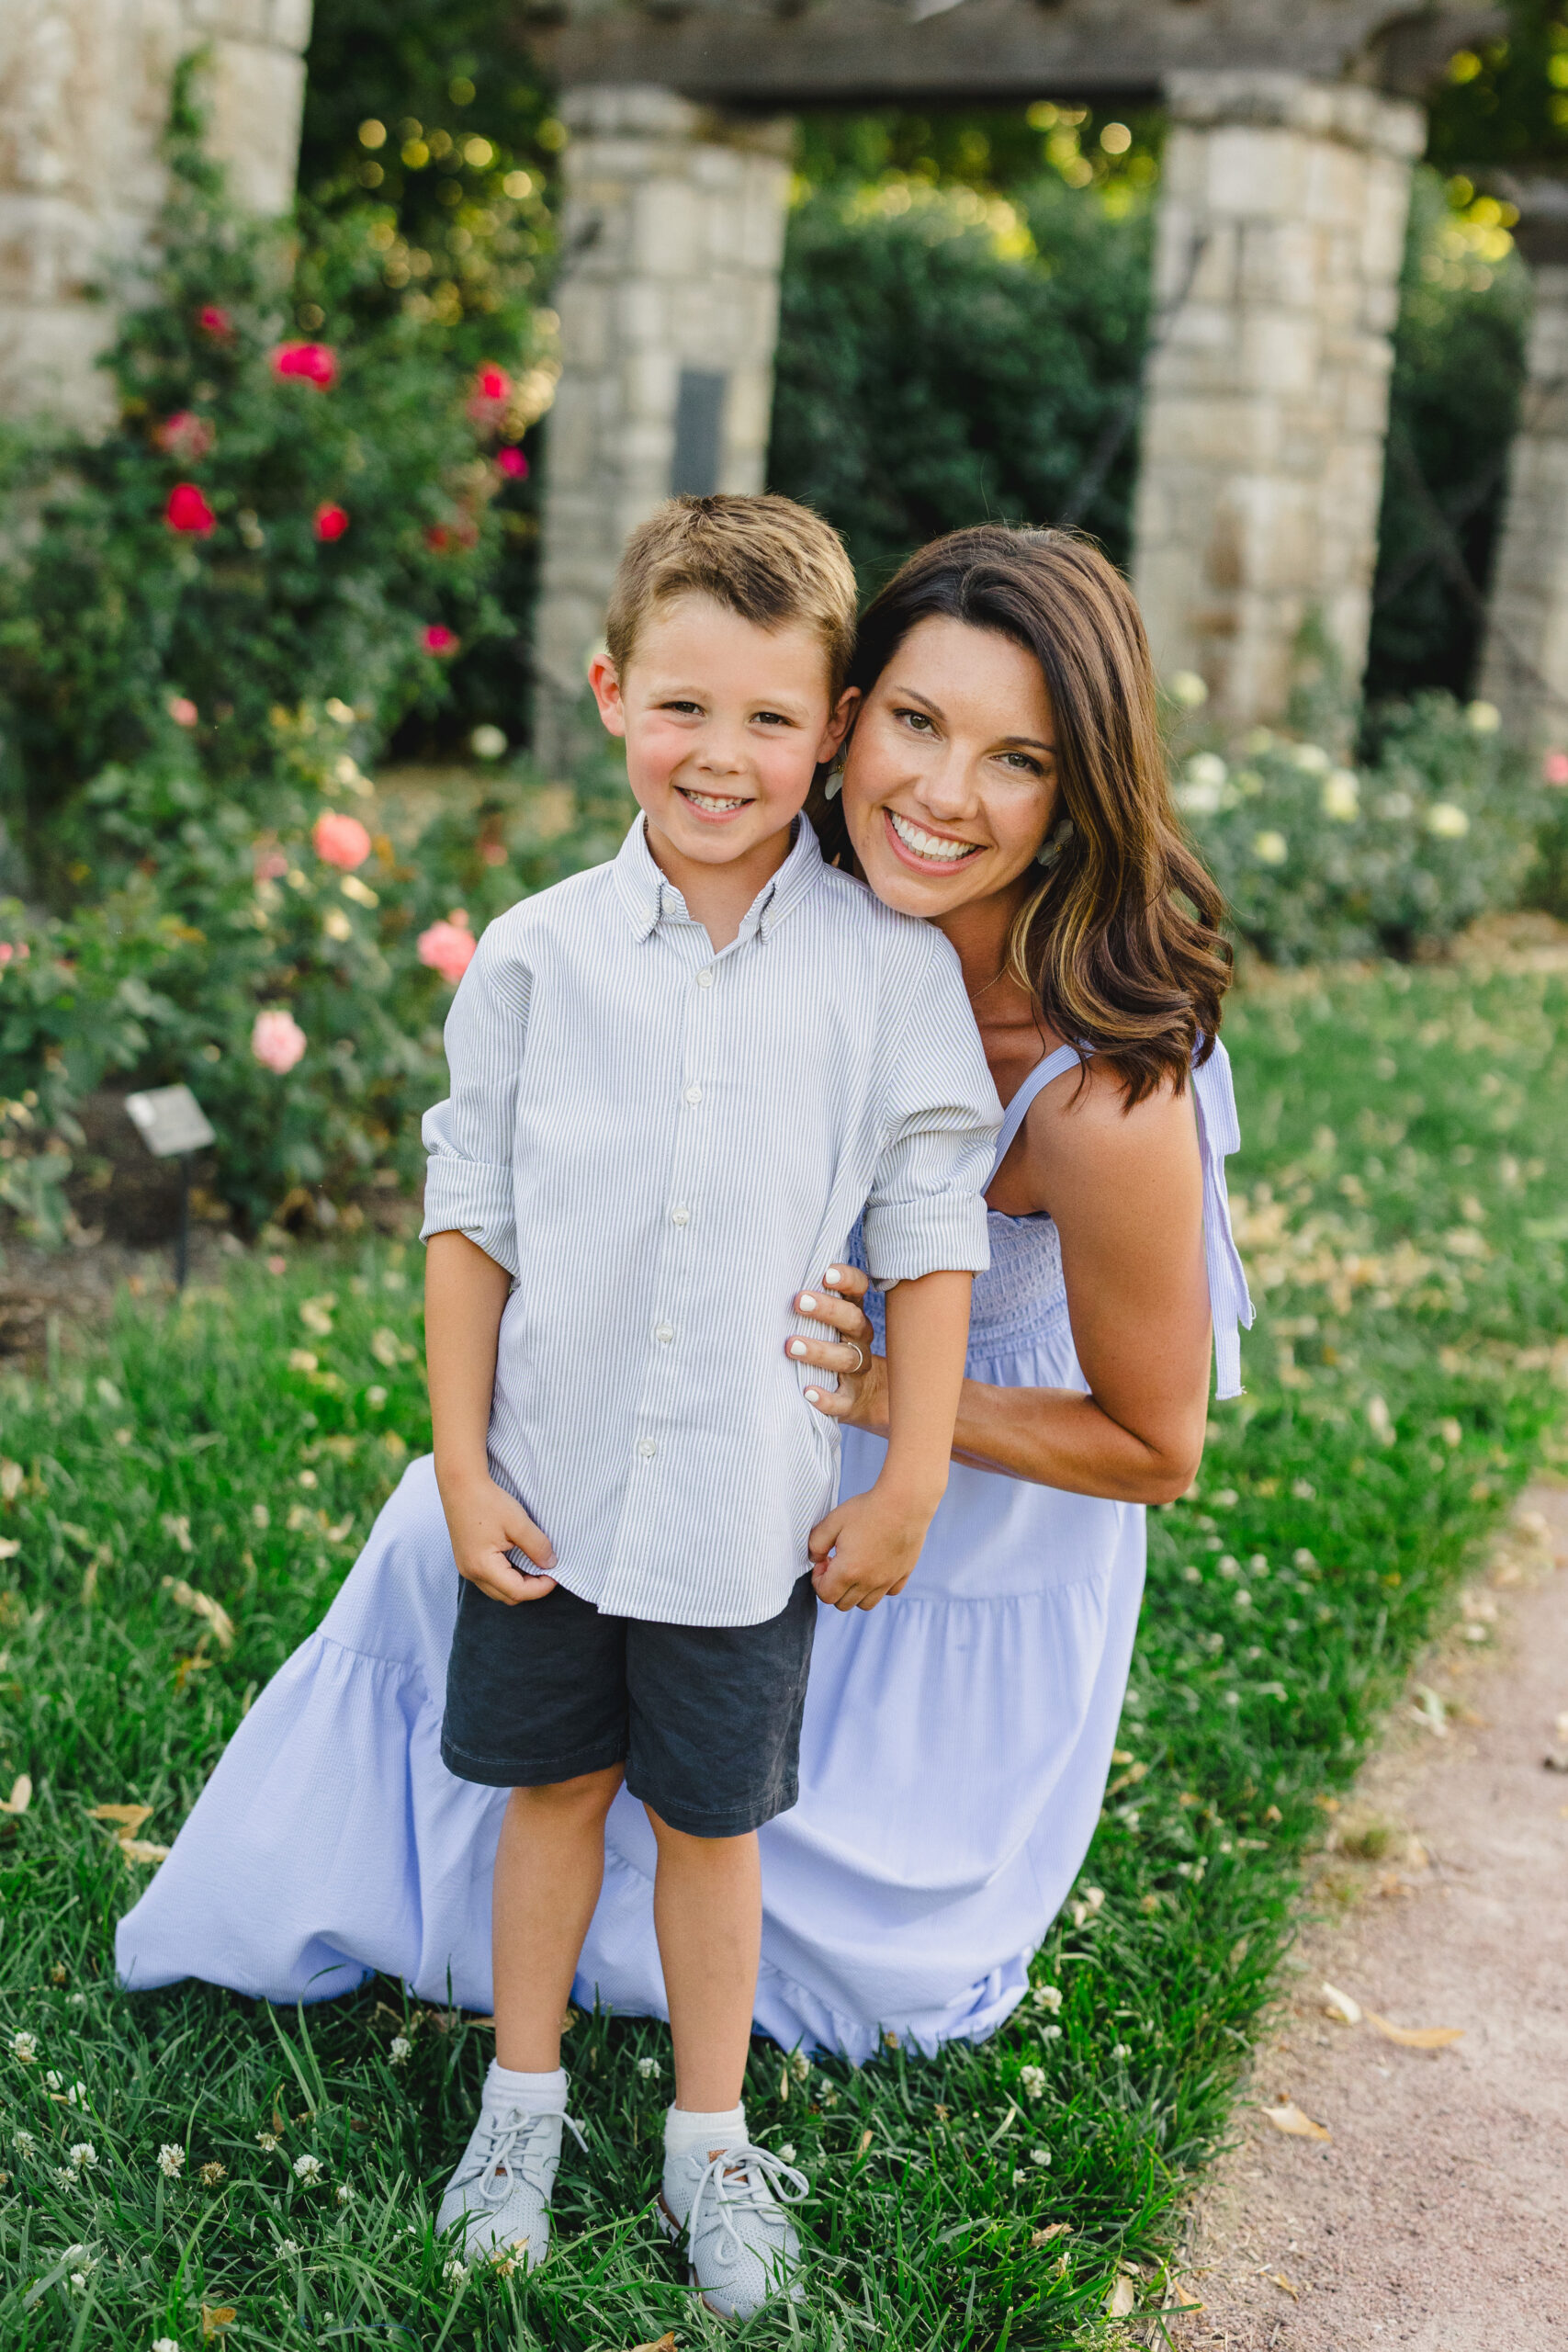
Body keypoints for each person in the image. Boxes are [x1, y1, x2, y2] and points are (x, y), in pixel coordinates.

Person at [117, 522, 1249, 2237]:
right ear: (850, 719)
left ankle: (702, 2129)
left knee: (812, 1936)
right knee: (453, 1542)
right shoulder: (747, 909)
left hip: (970, 1533)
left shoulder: (1109, 1096)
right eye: (918, 728)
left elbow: (1158, 1447)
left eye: (1018, 760)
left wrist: (893, 1428)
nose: (945, 793)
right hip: (712, 1439)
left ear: (1080, 790)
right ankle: (462, 2013)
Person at [406, 493, 997, 2312]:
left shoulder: (885, 974)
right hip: (551, 1487)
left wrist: (906, 1472)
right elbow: (469, 1211)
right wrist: (454, 1460)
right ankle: (519, 2106)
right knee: (553, 1792)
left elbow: (929, 1228)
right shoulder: (535, 956)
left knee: (714, 1826)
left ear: (827, 731)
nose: (718, 754)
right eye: (680, 706)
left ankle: (708, 2136)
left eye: (765, 717)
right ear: (605, 692)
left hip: (745, 1506)